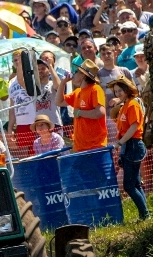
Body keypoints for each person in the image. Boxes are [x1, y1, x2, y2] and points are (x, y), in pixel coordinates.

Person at [109, 76, 149, 219]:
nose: (117, 93)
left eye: (120, 90)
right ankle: (145, 215)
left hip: (133, 144)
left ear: (127, 90)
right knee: (136, 184)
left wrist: (119, 143)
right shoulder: (125, 105)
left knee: (129, 186)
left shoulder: (133, 104)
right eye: (115, 91)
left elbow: (133, 127)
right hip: (128, 145)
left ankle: (145, 214)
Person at [56, 59, 108, 152]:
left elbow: (100, 112)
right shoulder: (77, 92)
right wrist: (63, 83)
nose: (73, 74)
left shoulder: (95, 89)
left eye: (76, 72)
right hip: (80, 146)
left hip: (95, 146)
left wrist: (80, 112)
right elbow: (59, 102)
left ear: (83, 75)